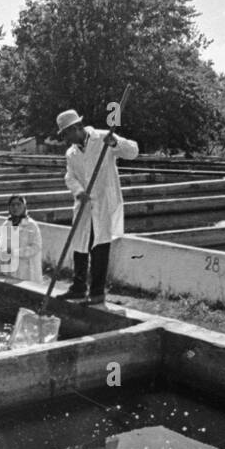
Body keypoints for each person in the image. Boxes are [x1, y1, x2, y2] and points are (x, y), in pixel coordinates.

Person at [56, 108, 139, 305]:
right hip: (84, 205)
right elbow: (70, 176)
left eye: (67, 133)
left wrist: (116, 143)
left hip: (103, 203)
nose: (66, 138)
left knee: (99, 247)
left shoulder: (103, 138)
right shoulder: (72, 153)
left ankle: (97, 292)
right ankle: (77, 288)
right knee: (79, 246)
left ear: (77, 127)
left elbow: (133, 152)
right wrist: (78, 191)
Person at [0, 194, 43, 283]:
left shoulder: (31, 225)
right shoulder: (6, 225)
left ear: (24, 207)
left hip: (28, 270)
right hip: (11, 269)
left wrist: (16, 252)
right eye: (13, 205)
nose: (15, 207)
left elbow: (36, 247)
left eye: (19, 204)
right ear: (9, 208)